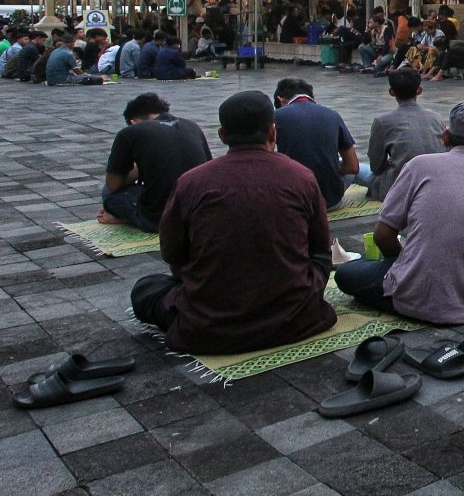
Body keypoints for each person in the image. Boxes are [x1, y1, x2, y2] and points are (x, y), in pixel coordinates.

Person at [129, 90, 337, 354]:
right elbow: (320, 249)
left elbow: (172, 252)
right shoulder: (301, 177)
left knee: (145, 289)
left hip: (212, 322)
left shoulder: (191, 182)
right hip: (295, 316)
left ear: (223, 135)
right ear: (273, 133)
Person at [334, 102, 464, 323]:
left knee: (346, 274)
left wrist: (403, 263)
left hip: (418, 299)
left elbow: (383, 235)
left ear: (446, 137)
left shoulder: (420, 166)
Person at [100, 93, 212, 233]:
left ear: (133, 121)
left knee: (108, 194)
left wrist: (138, 171)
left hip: (160, 218)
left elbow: (113, 184)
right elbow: (208, 167)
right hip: (199, 210)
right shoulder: (192, 125)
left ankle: (132, 218)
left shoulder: (129, 132)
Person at [273, 78, 362, 210]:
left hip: (293, 203)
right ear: (311, 96)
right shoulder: (333, 115)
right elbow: (353, 167)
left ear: (280, 99)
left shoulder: (276, 116)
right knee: (360, 168)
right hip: (330, 202)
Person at [364, 67, 446, 199]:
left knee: (357, 171)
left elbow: (376, 166)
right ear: (419, 90)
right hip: (436, 183)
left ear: (391, 92)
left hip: (400, 189)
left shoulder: (382, 121)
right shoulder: (437, 117)